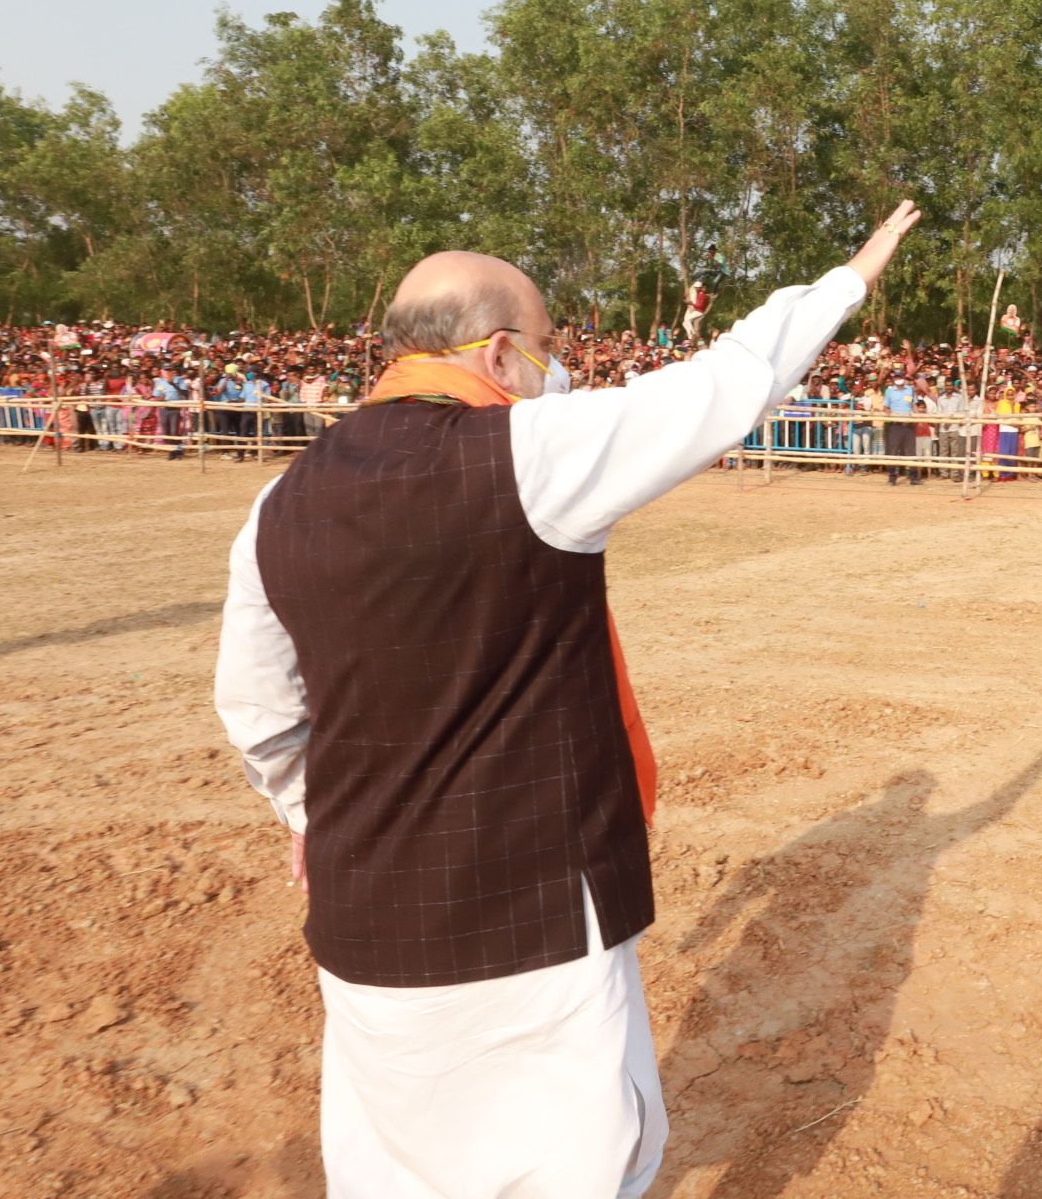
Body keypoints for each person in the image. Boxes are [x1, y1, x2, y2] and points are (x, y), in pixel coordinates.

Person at [212, 201, 920, 1199]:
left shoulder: (276, 503)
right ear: (500, 354)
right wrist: (848, 280)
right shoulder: (530, 453)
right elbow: (724, 385)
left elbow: (257, 711)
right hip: (534, 917)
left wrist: (304, 812)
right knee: (577, 1163)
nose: (560, 362)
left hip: (368, 925)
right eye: (549, 344)